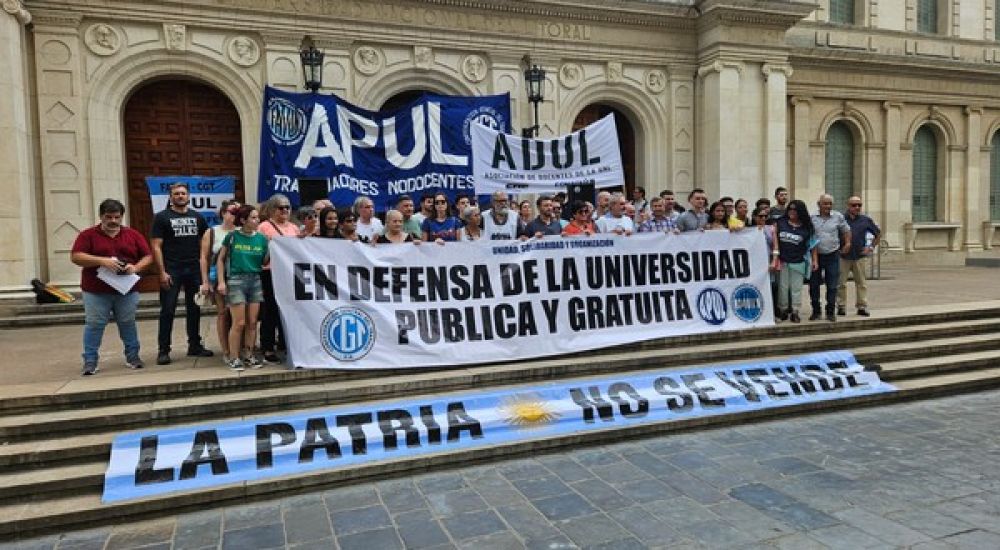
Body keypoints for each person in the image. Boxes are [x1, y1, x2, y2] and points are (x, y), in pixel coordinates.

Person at [71, 199, 153, 375]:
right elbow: (76, 256)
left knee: (127, 322)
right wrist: (102, 261)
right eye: (108, 217)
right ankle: (90, 361)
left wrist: (136, 267)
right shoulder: (87, 235)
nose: (113, 221)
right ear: (101, 216)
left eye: (117, 217)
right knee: (94, 324)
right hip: (96, 290)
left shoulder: (133, 234)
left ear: (122, 216)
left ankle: (133, 357)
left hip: (126, 289)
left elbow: (147, 256)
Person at [151, 182, 212, 365]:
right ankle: (163, 350)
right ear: (170, 197)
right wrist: (161, 272)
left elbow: (206, 242)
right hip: (172, 269)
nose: (180, 196)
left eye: (183, 193)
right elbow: (156, 246)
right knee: (168, 310)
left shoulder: (198, 217)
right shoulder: (161, 218)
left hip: (193, 269)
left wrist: (204, 271)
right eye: (176, 193)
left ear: (188, 196)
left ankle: (194, 345)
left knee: (194, 308)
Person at [216, 205, 269, 372]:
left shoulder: (262, 238)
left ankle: (249, 354)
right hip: (236, 280)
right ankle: (234, 356)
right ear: (243, 220)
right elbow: (221, 259)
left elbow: (264, 261)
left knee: (252, 322)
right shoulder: (232, 237)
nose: (257, 220)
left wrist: (273, 248)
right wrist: (221, 282)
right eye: (253, 218)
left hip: (255, 280)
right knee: (239, 322)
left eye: (257, 217)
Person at [258, 194, 300, 363]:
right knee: (271, 310)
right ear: (272, 209)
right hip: (271, 272)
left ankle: (284, 343)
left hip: (290, 272)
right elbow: (259, 252)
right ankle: (267, 347)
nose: (284, 211)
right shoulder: (263, 227)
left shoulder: (294, 228)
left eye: (287, 207)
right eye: (280, 207)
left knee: (289, 309)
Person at [199, 200, 239, 360]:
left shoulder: (243, 231)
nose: (235, 215)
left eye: (238, 212)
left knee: (238, 316)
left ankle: (239, 346)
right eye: (232, 211)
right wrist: (205, 281)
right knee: (223, 312)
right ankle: (226, 350)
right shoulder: (212, 232)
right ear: (223, 213)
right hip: (218, 278)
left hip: (239, 277)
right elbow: (204, 257)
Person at [773, 199, 818, 323]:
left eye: (795, 209)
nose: (792, 212)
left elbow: (813, 245)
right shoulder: (781, 222)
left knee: (796, 288)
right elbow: (774, 238)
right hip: (783, 261)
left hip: (798, 261)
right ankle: (783, 311)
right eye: (790, 209)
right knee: (783, 287)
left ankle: (795, 311)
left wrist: (815, 260)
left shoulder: (807, 227)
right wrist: (775, 257)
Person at [809, 194, 851, 322]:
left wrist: (848, 243)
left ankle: (830, 311)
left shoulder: (838, 216)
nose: (827, 206)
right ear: (819, 204)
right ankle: (816, 311)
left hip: (833, 254)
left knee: (832, 285)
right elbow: (809, 236)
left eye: (830, 204)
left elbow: (846, 231)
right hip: (816, 255)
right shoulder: (812, 218)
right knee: (814, 285)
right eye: (825, 203)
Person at [838, 195, 880, 317]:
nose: (857, 207)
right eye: (854, 205)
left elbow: (877, 234)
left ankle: (862, 306)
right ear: (848, 206)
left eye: (859, 205)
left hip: (859, 256)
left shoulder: (865, 220)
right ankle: (841, 306)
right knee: (841, 283)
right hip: (843, 256)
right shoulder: (841, 219)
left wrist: (870, 247)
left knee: (861, 283)